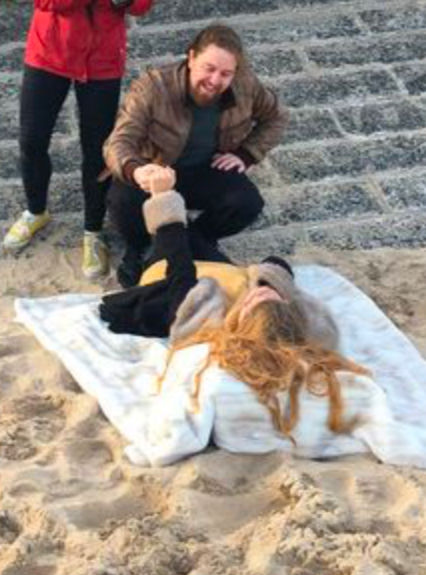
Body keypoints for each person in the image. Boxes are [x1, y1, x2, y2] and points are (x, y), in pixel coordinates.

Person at [98, 181, 365, 465]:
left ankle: (137, 245)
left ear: (243, 319)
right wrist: (272, 285)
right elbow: (277, 264)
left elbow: (179, 264)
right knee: (194, 231)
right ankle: (184, 217)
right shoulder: (289, 323)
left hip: (167, 274)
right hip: (220, 267)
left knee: (162, 223)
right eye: (267, 297)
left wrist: (163, 198)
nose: (255, 296)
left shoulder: (204, 318)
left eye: (253, 302)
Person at [2, 0, 156, 279]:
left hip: (102, 61)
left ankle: (93, 230)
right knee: (32, 139)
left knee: (96, 150)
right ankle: (36, 210)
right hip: (49, 54)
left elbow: (143, 3)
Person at [103, 23, 287, 287]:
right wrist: (137, 169)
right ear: (191, 58)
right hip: (156, 169)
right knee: (122, 202)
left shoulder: (245, 85)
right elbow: (118, 142)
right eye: (209, 68)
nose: (215, 80)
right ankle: (140, 247)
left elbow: (277, 117)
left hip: (204, 170)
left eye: (226, 73)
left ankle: (198, 238)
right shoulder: (153, 87)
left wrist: (246, 154)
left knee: (246, 203)